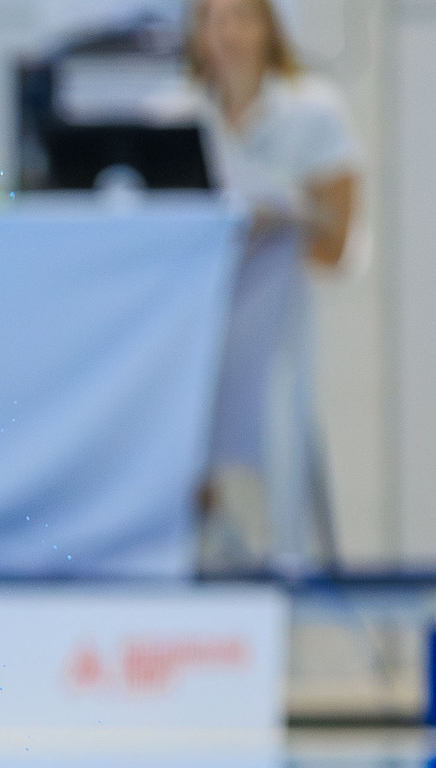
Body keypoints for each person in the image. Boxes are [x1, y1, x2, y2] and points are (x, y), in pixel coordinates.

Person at [174, 0, 360, 569]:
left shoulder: (314, 114)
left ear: (270, 28)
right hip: (192, 330)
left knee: (278, 460)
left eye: (242, 18)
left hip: (277, 324)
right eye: (215, 19)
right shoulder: (177, 116)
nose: (227, 33)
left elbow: (335, 244)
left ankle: (286, 574)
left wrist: (276, 218)